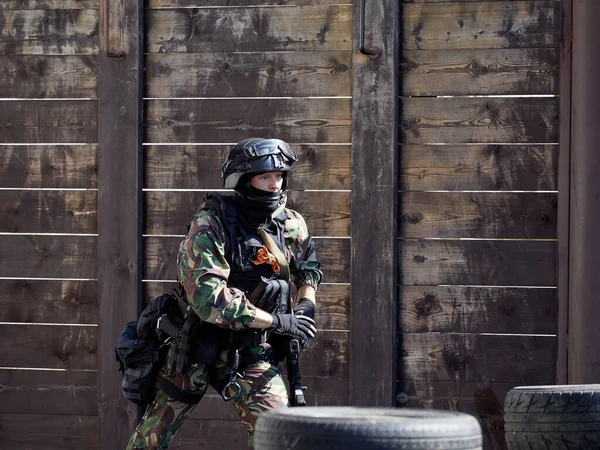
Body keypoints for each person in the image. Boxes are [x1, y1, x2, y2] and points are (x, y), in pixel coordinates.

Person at [126, 138, 323, 449]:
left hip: (250, 352)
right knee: (151, 440)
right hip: (195, 348)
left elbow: (308, 270)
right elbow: (208, 299)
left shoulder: (291, 223)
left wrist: (306, 307)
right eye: (265, 177)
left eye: (279, 176)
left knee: (280, 434)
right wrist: (276, 321)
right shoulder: (212, 221)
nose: (275, 185)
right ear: (244, 180)